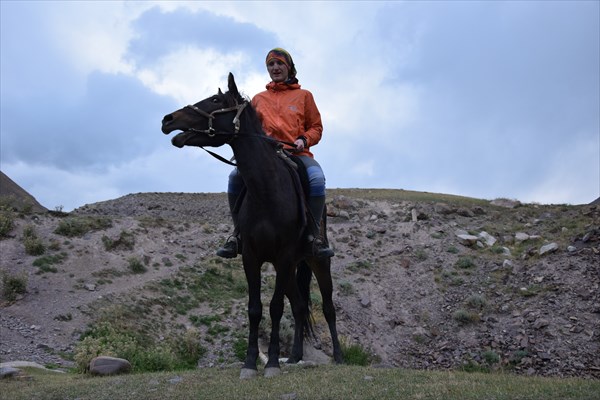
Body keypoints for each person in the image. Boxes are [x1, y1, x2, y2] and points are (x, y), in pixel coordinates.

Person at [217, 47, 334, 259]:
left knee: (317, 179)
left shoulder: (304, 96)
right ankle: (238, 234)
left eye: (280, 63)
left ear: (288, 67)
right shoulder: (259, 99)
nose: (275, 68)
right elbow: (250, 130)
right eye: (271, 64)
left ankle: (314, 236)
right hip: (267, 157)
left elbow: (316, 127)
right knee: (235, 177)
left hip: (298, 154)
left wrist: (303, 139)